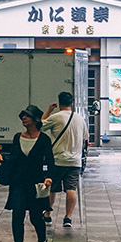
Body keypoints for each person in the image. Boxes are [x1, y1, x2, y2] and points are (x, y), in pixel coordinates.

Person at [0, 105, 54, 242]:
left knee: (35, 217)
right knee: (17, 214)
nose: (23, 118)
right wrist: (2, 157)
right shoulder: (17, 137)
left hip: (36, 183)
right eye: (23, 116)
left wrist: (49, 177)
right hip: (18, 182)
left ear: (35, 119)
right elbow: (14, 158)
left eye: (27, 116)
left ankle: (42, 241)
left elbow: (50, 161)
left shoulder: (44, 139)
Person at [42, 91, 87, 228]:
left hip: (57, 160)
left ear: (59, 103)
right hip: (75, 161)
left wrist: (49, 110)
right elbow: (85, 138)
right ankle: (68, 217)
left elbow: (40, 126)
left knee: (53, 188)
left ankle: (48, 214)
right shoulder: (80, 119)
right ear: (72, 103)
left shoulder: (56, 117)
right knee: (71, 189)